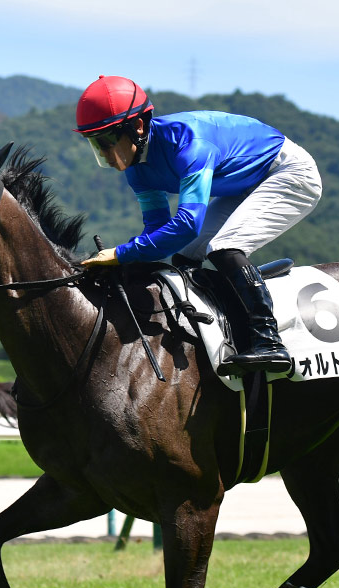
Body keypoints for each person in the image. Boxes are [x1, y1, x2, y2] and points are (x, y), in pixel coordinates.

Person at [75, 75, 323, 376]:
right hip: (241, 185)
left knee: (223, 247)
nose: (102, 153)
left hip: (288, 173)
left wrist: (121, 253)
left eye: (106, 141)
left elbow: (187, 225)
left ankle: (269, 340)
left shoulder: (189, 144)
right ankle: (218, 327)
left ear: (137, 127)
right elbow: (158, 228)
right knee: (186, 257)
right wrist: (124, 260)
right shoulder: (136, 170)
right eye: (94, 143)